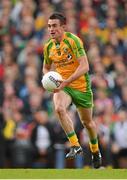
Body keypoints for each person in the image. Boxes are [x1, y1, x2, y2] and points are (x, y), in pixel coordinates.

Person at [42, 12, 102, 168]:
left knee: (87, 123)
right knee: (59, 109)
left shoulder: (73, 41)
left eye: (54, 26)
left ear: (63, 27)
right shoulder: (48, 46)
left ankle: (95, 150)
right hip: (63, 87)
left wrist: (67, 80)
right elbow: (46, 67)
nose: (51, 29)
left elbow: (85, 66)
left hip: (81, 86)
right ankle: (75, 145)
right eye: (49, 26)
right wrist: (49, 79)